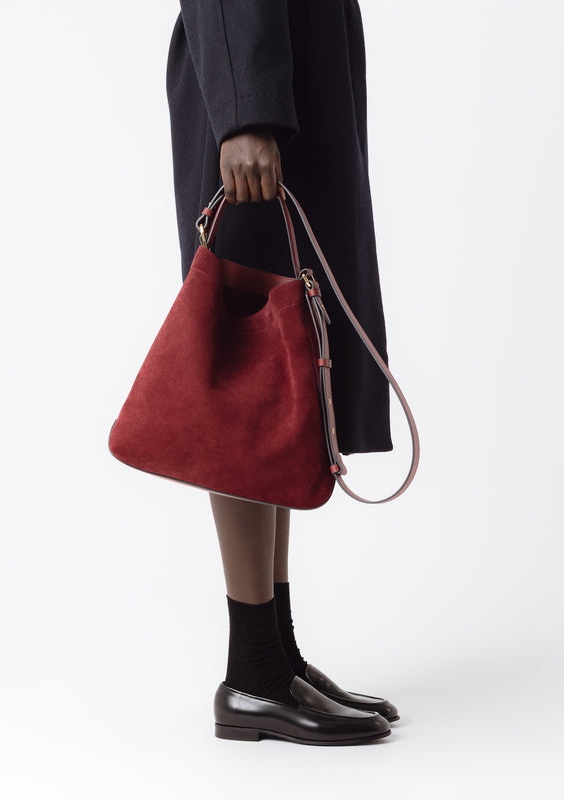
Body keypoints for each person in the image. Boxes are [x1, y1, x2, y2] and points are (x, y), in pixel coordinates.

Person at [166, 0, 397, 745]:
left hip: (298, 69)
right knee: (245, 372)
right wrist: (244, 113)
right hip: (256, 83)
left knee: (286, 362)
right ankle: (252, 672)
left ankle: (278, 657)